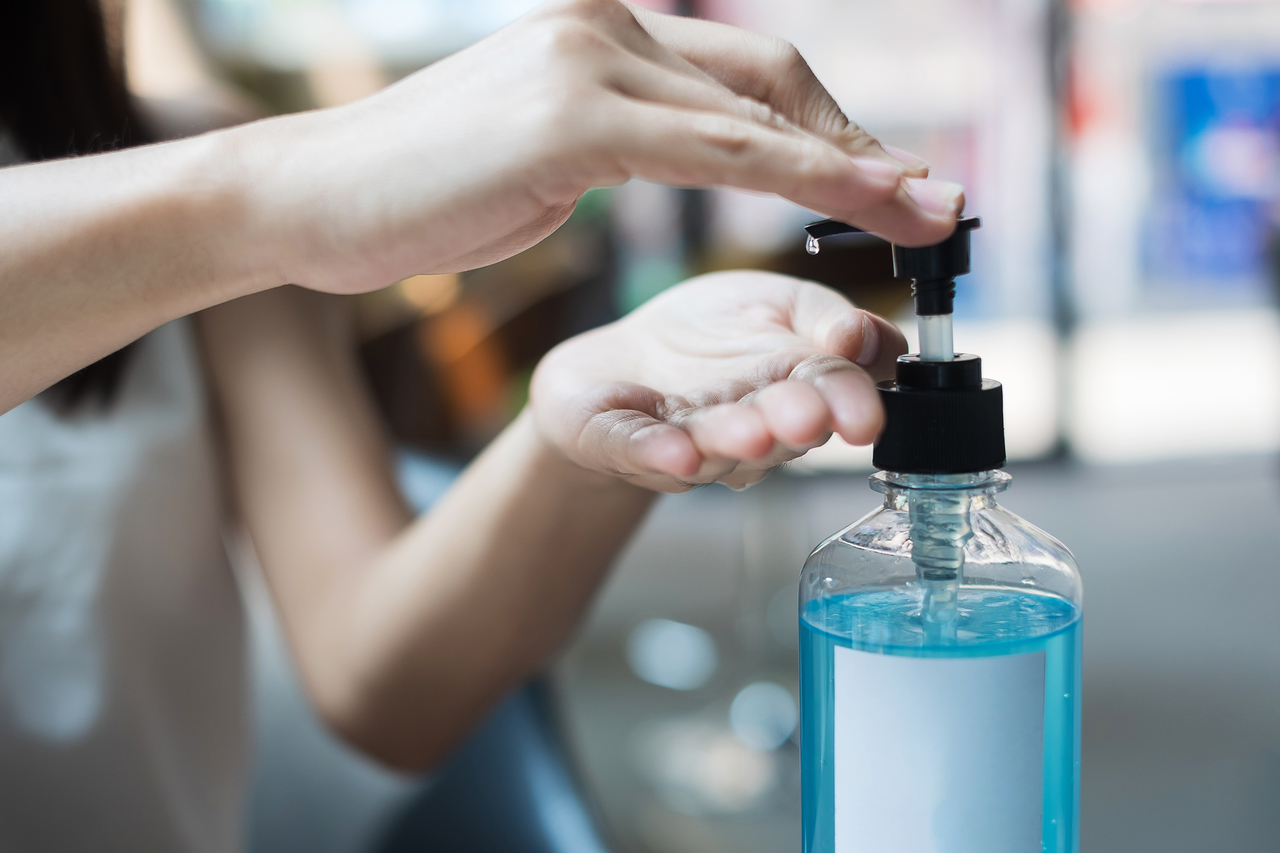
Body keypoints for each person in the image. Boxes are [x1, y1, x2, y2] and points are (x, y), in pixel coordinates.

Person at [0, 0, 961, 848]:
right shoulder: (226, 194)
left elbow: (384, 688)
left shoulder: (181, 161)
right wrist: (271, 188)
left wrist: (573, 439)